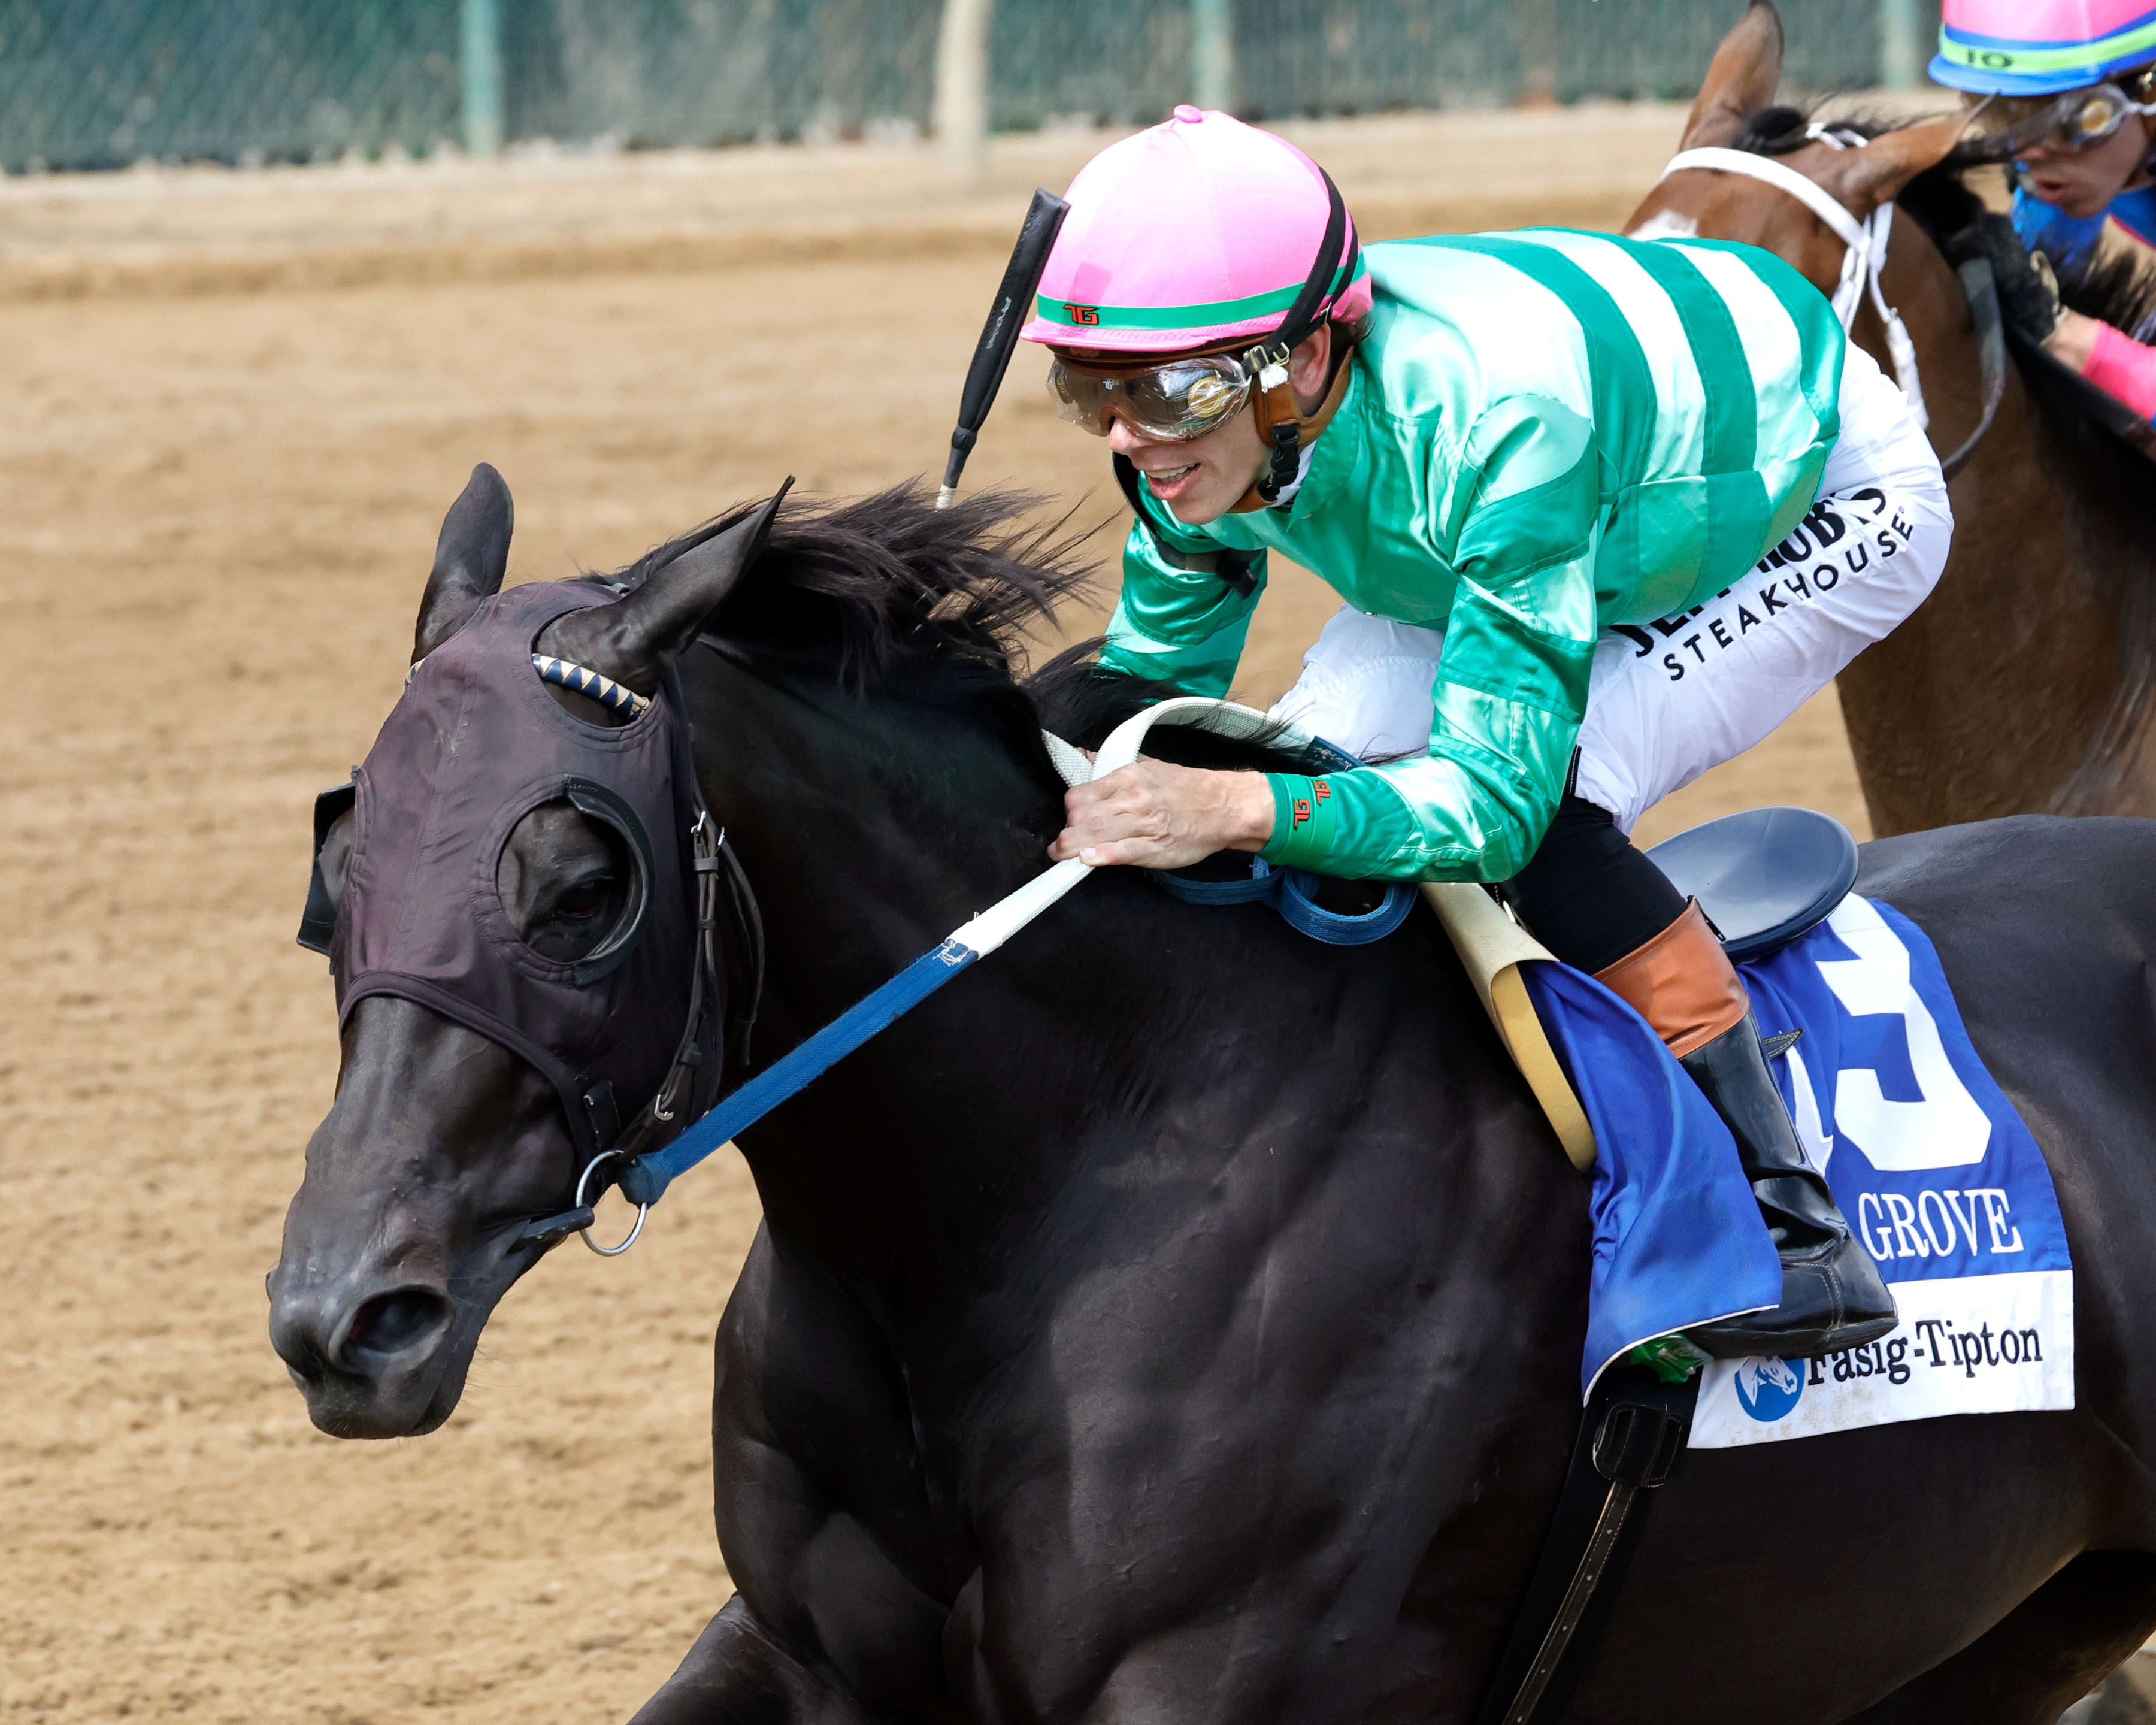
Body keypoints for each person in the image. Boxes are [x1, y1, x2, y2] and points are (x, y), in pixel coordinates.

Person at [1023, 107, 1957, 1360]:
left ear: (1303, 361)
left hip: (1813, 487)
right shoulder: (1207, 438)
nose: (1128, 436)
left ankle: (1791, 1227)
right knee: (1306, 759)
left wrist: (1233, 810)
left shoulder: (1500, 427)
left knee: (1548, 806)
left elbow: (1492, 809)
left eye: (1168, 391)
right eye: (1092, 393)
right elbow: (1153, 693)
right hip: (1544, 510)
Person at [1933, 0, 2156, 421]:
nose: (2026, 153)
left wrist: (2070, 338)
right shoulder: (2075, 168)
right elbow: (2038, 272)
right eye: (2002, 117)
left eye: (2070, 121)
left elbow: (2052, 327)